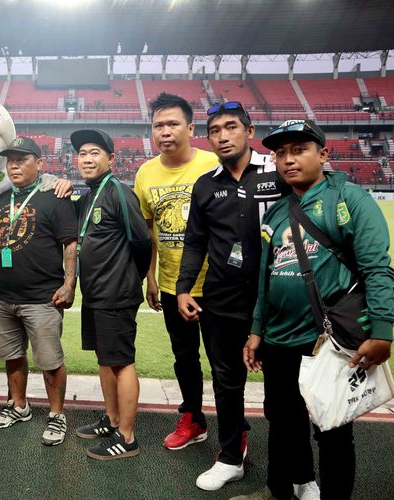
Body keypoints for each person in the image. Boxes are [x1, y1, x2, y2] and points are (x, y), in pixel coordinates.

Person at [234, 119, 394, 500]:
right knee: (283, 422)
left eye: (299, 149)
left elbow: (377, 267)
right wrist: (257, 331)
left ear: (322, 153)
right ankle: (279, 490)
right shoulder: (275, 214)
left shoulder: (348, 197)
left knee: (333, 430)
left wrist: (383, 331)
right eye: (280, 153)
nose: (288, 159)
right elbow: (265, 278)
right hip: (279, 339)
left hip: (329, 341)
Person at [176, 102, 288, 491]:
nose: (222, 136)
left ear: (249, 130)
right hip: (221, 300)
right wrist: (184, 288)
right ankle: (229, 457)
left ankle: (292, 467)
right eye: (215, 130)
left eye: (230, 127)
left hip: (276, 300)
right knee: (226, 381)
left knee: (283, 388)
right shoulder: (206, 183)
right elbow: (195, 242)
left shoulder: (278, 172)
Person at [0, 137, 78, 446]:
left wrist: (70, 284)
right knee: (12, 356)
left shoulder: (55, 196)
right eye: (10, 160)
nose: (14, 165)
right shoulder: (3, 198)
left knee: (50, 361)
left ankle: (57, 414)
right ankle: (19, 406)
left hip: (42, 297)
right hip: (4, 295)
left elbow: (70, 244)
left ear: (40, 163)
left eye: (22, 159)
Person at [134, 93, 218, 450]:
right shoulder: (145, 173)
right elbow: (149, 230)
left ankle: (236, 426)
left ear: (191, 127)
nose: (165, 132)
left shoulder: (214, 163)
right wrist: (151, 277)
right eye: (158, 126)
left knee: (225, 362)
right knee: (184, 358)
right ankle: (192, 418)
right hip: (171, 285)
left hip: (217, 284)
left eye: (173, 124)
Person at [71, 129, 151, 460]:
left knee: (121, 362)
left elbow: (142, 242)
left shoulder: (118, 191)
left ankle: (127, 437)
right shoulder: (90, 194)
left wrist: (130, 278)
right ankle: (113, 418)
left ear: (111, 159)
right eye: (82, 154)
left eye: (94, 152)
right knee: (105, 359)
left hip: (116, 293)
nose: (87, 158)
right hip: (95, 294)